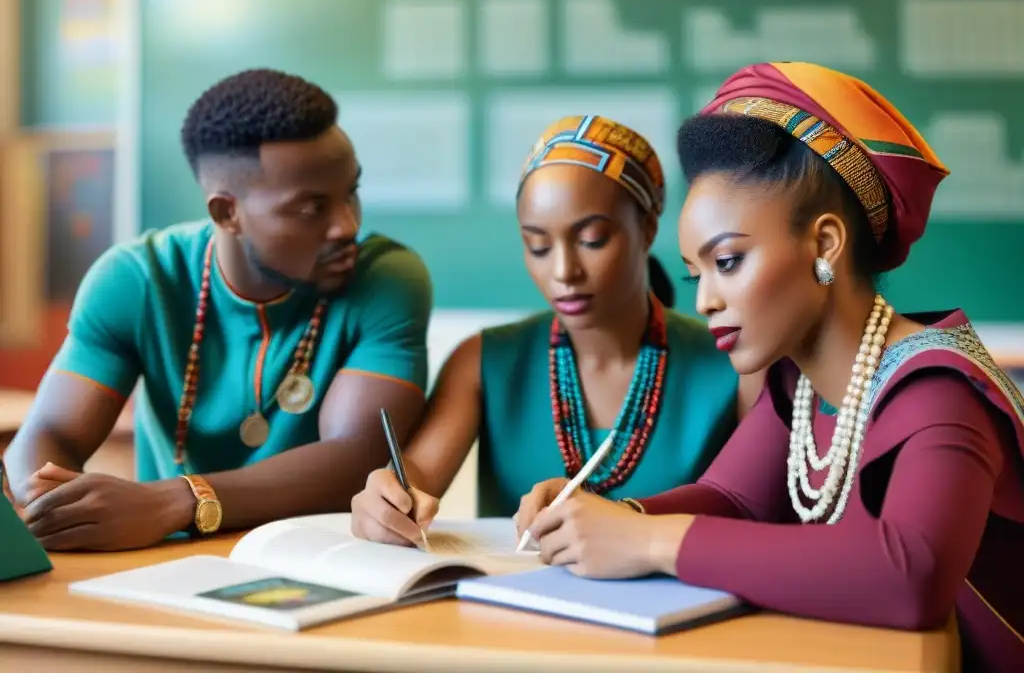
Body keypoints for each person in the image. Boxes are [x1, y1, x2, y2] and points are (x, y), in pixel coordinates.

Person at [514, 63, 1023, 671]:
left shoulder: (939, 391)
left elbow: (909, 577)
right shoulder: (799, 384)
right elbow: (732, 498)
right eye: (693, 273)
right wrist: (607, 515)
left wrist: (648, 541)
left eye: (727, 261)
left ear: (825, 244)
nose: (704, 300)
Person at [2, 69, 433, 552]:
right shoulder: (137, 279)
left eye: (350, 192)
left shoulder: (388, 277)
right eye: (312, 208)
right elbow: (50, 433)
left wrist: (178, 501)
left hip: (327, 558)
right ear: (226, 213)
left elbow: (357, 457)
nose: (347, 226)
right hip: (169, 558)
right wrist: (48, 502)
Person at [351, 115, 763, 547]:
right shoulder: (483, 360)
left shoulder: (735, 366)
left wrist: (620, 520)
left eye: (592, 240)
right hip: (512, 611)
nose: (564, 271)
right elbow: (416, 476)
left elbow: (754, 508)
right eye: (538, 246)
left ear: (647, 229)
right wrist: (386, 501)